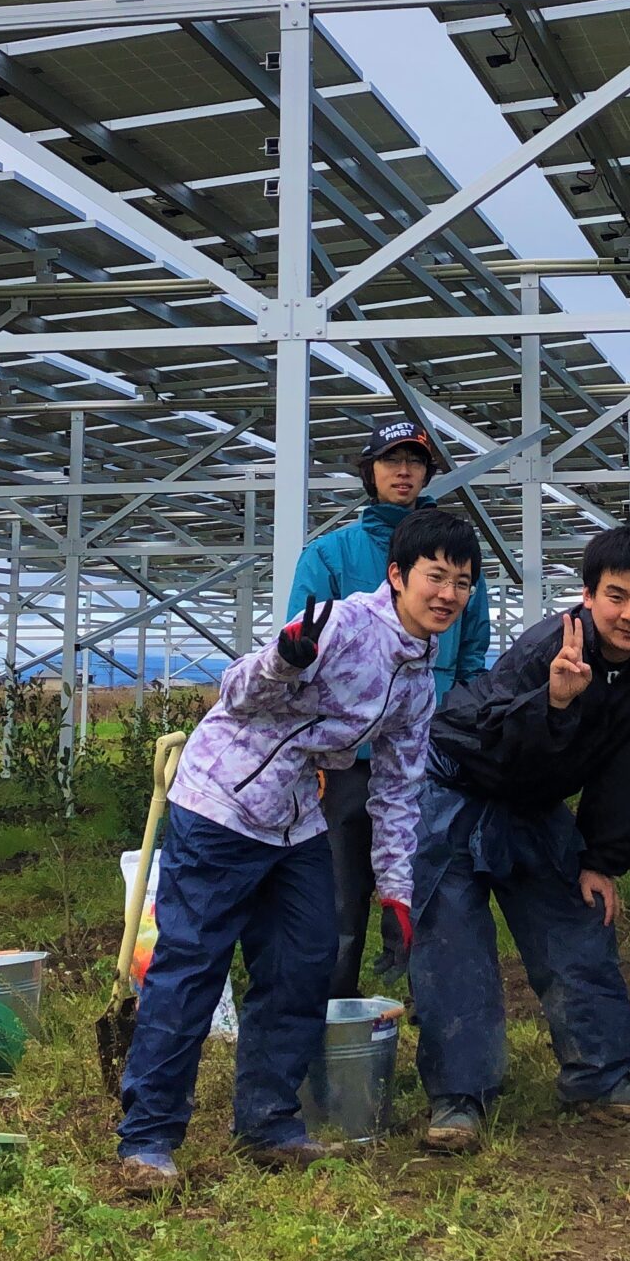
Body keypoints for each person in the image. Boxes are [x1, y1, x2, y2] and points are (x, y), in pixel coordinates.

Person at [114, 506, 481, 1194]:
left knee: (304, 961)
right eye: (436, 576)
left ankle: (268, 1123)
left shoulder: (418, 672)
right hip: (222, 801)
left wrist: (396, 887)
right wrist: (282, 662)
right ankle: (149, 1139)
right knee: (192, 963)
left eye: (462, 582)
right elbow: (237, 691)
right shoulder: (342, 625)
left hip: (294, 818)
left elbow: (398, 787)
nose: (448, 594)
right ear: (398, 575)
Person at [411, 526, 630, 1154]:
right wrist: (556, 701)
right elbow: (492, 737)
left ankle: (602, 1075)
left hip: (535, 804)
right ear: (588, 597)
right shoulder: (551, 646)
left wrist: (601, 859)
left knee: (577, 924)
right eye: (615, 596)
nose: (629, 614)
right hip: (461, 786)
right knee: (453, 940)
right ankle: (459, 1100)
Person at [287, 417, 493, 997]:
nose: (404, 472)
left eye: (416, 462)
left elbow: (473, 649)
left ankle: (427, 1002)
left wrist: (451, 719)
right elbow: (302, 649)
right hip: (345, 755)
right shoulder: (331, 554)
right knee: (341, 888)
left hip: (426, 745)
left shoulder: (455, 554)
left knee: (428, 876)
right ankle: (334, 1014)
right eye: (391, 461)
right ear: (370, 472)